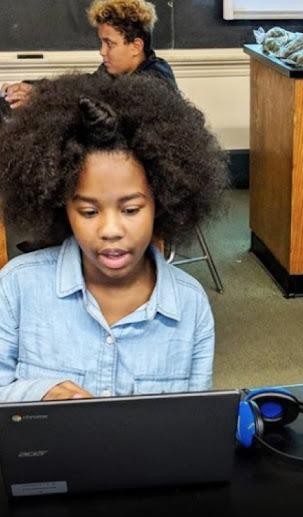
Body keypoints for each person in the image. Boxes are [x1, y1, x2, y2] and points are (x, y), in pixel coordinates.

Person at [0, 71, 229, 402]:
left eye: (131, 210)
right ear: (61, 207)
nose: (110, 230)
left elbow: (190, 425)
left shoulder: (190, 305)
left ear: (162, 202)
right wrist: (40, 394)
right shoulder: (17, 288)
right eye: (89, 212)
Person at [0, 0, 178, 108]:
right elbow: (81, 86)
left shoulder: (157, 82)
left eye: (109, 43)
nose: (102, 52)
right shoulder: (111, 73)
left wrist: (42, 99)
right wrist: (34, 89)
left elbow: (103, 101)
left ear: (135, 46)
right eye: (101, 42)